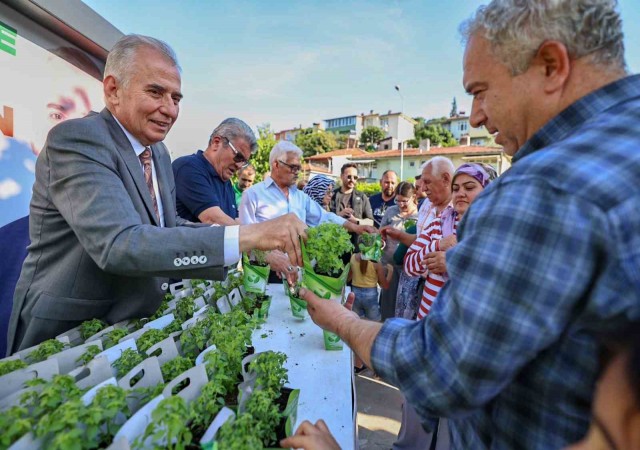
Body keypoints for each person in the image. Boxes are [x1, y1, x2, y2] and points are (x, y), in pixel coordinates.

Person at [298, 1, 640, 447]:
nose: (476, 115)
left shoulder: (544, 188)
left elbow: (442, 370)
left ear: (552, 66)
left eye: (481, 90)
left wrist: (343, 322)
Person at [6, 35, 307, 354]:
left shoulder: (159, 154)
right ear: (112, 90)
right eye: (155, 92)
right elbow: (120, 244)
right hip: (69, 334)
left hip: (130, 329)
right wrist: (249, 235)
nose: (169, 109)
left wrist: (251, 245)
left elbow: (165, 228)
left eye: (176, 98)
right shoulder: (79, 139)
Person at [239, 141, 376, 278]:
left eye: (299, 168)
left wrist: (356, 228)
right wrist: (270, 257)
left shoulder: (301, 198)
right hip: (264, 274)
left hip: (297, 272)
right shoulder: (253, 195)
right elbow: (245, 239)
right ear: (276, 164)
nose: (297, 172)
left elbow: (325, 217)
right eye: (293, 167)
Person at [405, 162, 496, 319]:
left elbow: (499, 277)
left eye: (469, 187)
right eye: (455, 189)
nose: (460, 193)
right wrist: (437, 244)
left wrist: (453, 262)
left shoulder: (495, 231)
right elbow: (409, 266)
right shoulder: (438, 224)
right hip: (428, 323)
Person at [173, 118, 256, 225]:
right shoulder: (188, 168)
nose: (240, 166)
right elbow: (213, 219)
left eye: (244, 161)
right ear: (216, 143)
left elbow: (233, 220)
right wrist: (256, 237)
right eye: (238, 156)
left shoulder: (226, 183)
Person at [378, 182, 419, 321]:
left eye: (404, 201)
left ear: (414, 197)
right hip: (389, 264)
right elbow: (380, 232)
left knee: (405, 305)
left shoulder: (420, 216)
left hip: (408, 268)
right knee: (387, 302)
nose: (400, 204)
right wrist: (381, 240)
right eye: (397, 200)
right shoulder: (391, 211)